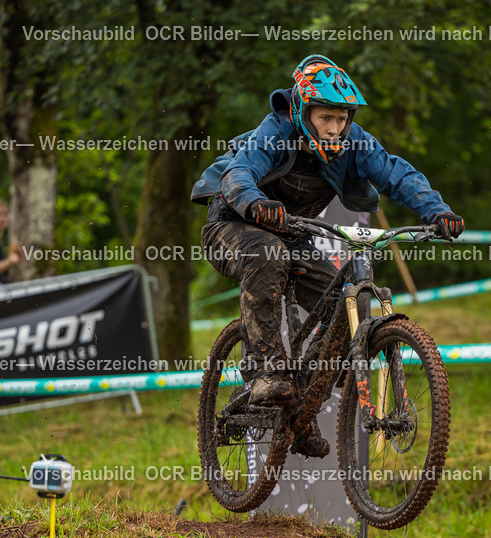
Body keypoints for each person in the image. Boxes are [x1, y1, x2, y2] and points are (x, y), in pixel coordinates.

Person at [191, 54, 464, 458]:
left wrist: (437, 211)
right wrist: (254, 202)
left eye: (341, 118)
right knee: (267, 254)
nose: (335, 127)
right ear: (303, 111)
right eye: (325, 118)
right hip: (232, 223)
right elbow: (239, 174)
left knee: (346, 301)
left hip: (292, 232)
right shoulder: (276, 131)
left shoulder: (353, 142)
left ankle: (301, 415)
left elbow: (396, 173)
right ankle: (266, 369)